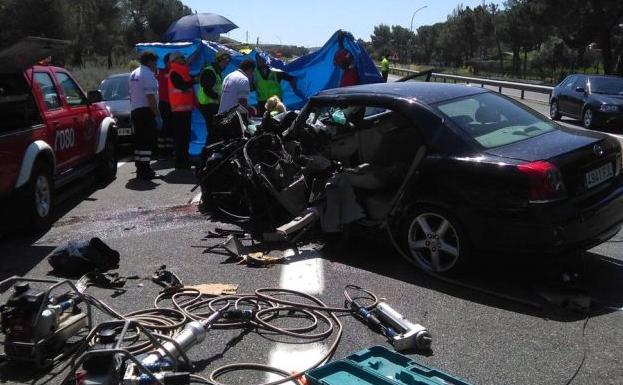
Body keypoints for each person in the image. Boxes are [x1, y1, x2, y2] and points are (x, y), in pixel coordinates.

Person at [129, 51, 161, 180]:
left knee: (139, 142)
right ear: (150, 62)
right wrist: (157, 115)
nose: (156, 65)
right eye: (155, 62)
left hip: (135, 110)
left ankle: (140, 168)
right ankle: (146, 171)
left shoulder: (134, 73)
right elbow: (150, 97)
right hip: (146, 112)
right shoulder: (147, 75)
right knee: (147, 142)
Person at [167, 52, 196, 169]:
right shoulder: (174, 72)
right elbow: (182, 86)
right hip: (178, 110)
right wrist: (194, 81)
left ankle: (184, 159)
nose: (184, 59)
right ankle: (180, 162)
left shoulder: (183, 70)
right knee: (181, 137)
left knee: (185, 136)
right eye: (182, 57)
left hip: (185, 109)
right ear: (175, 60)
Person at [197, 51, 231, 143]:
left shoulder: (217, 72)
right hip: (208, 105)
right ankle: (208, 154)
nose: (226, 65)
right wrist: (219, 97)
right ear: (218, 60)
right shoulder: (209, 71)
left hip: (213, 105)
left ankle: (213, 152)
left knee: (215, 131)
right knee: (213, 131)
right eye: (224, 62)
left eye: (227, 63)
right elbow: (206, 89)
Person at [156, 53, 174, 158]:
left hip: (173, 104)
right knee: (164, 128)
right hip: (163, 103)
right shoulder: (160, 72)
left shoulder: (174, 72)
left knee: (171, 127)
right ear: (167, 62)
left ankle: (169, 151)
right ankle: (162, 152)